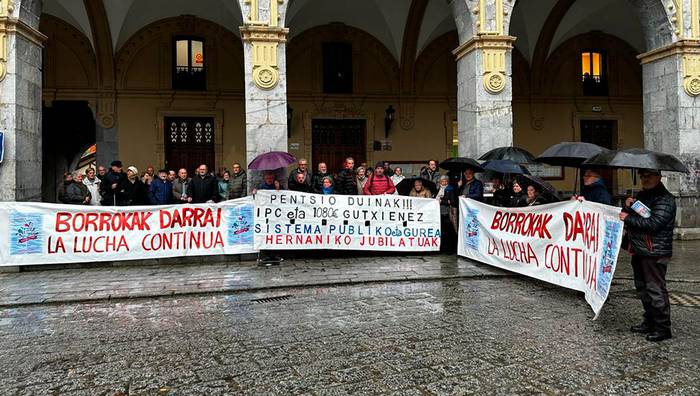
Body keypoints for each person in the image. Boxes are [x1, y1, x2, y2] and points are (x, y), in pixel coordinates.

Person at [620, 169, 676, 342]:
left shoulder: (665, 199)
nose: (644, 179)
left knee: (655, 288)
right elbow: (634, 215)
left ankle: (662, 327)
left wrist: (627, 218)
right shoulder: (643, 195)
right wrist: (628, 206)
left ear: (658, 177)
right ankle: (649, 321)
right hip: (640, 249)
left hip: (655, 251)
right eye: (642, 176)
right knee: (642, 287)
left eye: (648, 176)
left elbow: (654, 224)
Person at [436, 175, 456, 251]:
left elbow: (452, 201)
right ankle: (442, 247)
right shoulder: (438, 188)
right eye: (442, 180)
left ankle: (450, 248)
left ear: (447, 181)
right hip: (438, 212)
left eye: (445, 180)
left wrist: (442, 201)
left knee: (448, 230)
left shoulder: (450, 189)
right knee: (441, 230)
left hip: (446, 212)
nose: (443, 182)